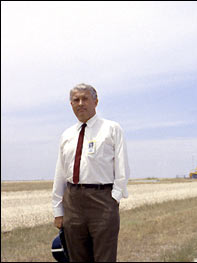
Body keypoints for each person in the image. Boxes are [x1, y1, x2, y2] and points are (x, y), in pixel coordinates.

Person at [52, 83, 130, 262]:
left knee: (104, 257)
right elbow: (60, 173)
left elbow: (122, 167)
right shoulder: (67, 135)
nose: (80, 103)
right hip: (73, 203)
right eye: (75, 100)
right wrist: (58, 210)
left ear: (96, 101)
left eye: (85, 98)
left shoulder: (111, 129)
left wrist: (114, 198)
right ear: (70, 104)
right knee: (76, 257)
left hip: (102, 201)